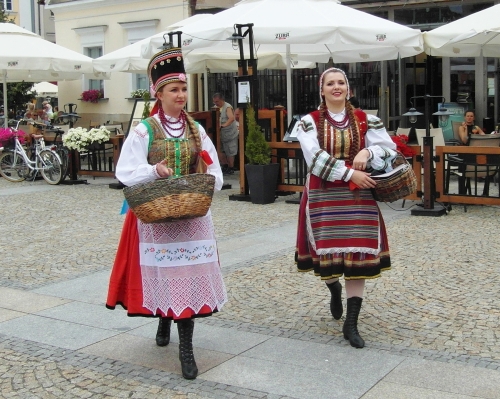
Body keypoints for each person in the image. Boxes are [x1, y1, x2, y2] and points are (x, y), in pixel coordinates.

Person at [106, 47, 228, 380]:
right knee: (168, 275)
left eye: (184, 89)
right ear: (158, 94)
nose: (181, 95)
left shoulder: (196, 130)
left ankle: (185, 348)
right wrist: (152, 171)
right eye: (174, 89)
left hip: (192, 214)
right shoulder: (144, 130)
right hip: (158, 216)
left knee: (186, 279)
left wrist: (202, 183)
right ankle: (164, 317)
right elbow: (125, 171)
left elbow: (214, 171)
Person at [295, 67, 397, 349]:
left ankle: (351, 324)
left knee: (357, 257)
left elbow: (390, 150)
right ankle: (333, 288)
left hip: (358, 196)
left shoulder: (367, 120)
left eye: (341, 83)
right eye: (331, 83)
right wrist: (351, 173)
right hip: (324, 194)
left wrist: (368, 151)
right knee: (327, 263)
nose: (336, 87)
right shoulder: (308, 122)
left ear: (348, 89)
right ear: (322, 89)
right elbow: (314, 159)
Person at [213, 93, 238, 174]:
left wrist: (223, 125)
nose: (216, 103)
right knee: (221, 150)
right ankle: (225, 166)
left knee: (230, 151)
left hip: (229, 134)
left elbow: (231, 118)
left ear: (222, 100)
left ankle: (231, 167)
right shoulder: (215, 108)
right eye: (214, 102)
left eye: (217, 101)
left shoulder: (227, 107)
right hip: (220, 135)